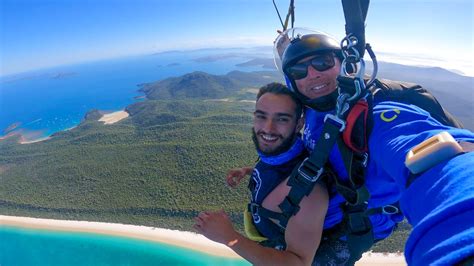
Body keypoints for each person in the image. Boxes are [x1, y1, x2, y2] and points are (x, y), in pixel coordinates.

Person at [277, 29, 474, 265]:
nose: (312, 75)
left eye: (322, 62)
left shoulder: (374, 117)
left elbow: (436, 161)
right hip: (316, 216)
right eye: (299, 70)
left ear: (343, 64)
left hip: (348, 230)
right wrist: (285, 45)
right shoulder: (312, 107)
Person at [194, 82, 330, 266]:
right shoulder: (276, 156)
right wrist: (249, 171)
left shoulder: (310, 193)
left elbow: (299, 263)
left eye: (282, 119)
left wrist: (229, 237)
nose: (268, 128)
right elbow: (279, 175)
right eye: (261, 116)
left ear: (299, 124)